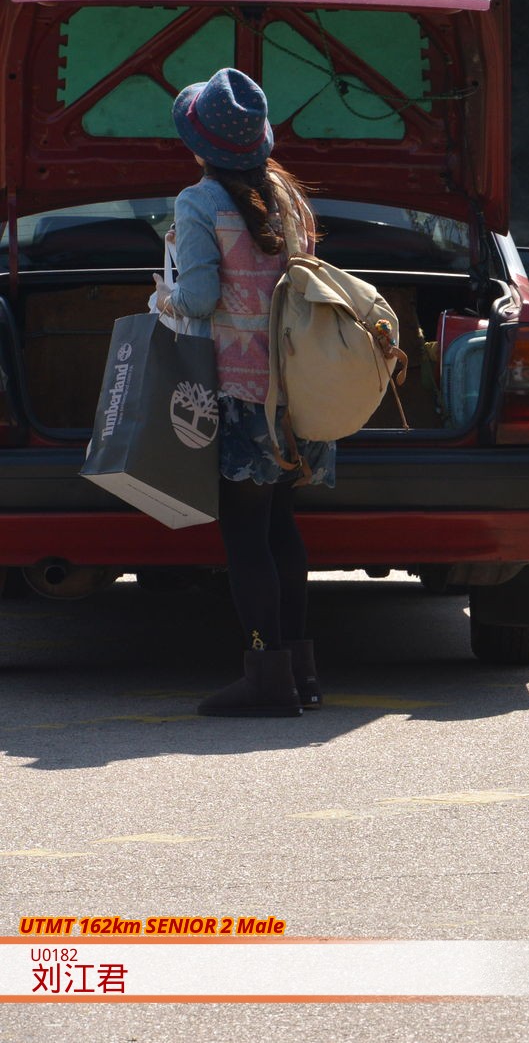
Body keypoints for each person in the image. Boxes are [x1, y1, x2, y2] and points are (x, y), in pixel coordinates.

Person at [157, 68, 333, 718]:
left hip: (242, 395)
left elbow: (200, 297)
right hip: (298, 392)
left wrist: (164, 297)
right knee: (282, 528)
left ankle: (265, 676)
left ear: (198, 145)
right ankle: (300, 673)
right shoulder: (288, 196)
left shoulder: (199, 202)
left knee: (246, 536)